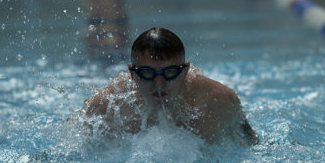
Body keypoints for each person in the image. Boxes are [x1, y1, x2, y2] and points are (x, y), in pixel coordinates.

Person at [82, 28, 259, 146]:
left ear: (185, 71)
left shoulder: (219, 102)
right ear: (132, 73)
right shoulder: (105, 107)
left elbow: (251, 146)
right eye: (147, 73)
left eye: (170, 72)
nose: (159, 85)